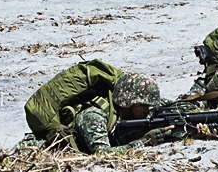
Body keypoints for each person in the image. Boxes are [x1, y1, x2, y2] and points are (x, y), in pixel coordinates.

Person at [24, 61, 169, 154]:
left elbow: (170, 105)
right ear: (129, 102)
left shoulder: (122, 112)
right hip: (33, 151)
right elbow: (103, 155)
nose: (147, 111)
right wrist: (146, 141)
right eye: (143, 106)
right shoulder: (94, 116)